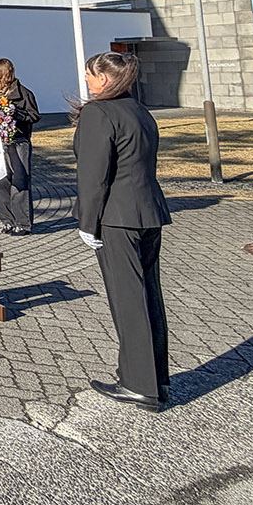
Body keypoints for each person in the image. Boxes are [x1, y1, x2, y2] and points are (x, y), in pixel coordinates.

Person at [74, 51, 172, 412]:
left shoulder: (99, 113)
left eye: (90, 74)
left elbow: (94, 174)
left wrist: (87, 222)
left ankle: (139, 384)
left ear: (104, 78)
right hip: (148, 212)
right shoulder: (139, 110)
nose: (86, 79)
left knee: (128, 301)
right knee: (148, 297)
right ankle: (156, 377)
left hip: (117, 218)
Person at [0, 58, 41, 236]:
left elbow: (34, 115)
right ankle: (7, 221)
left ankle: (23, 223)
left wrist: (12, 112)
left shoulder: (24, 93)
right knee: (0, 181)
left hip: (18, 142)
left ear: (3, 73)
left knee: (19, 182)